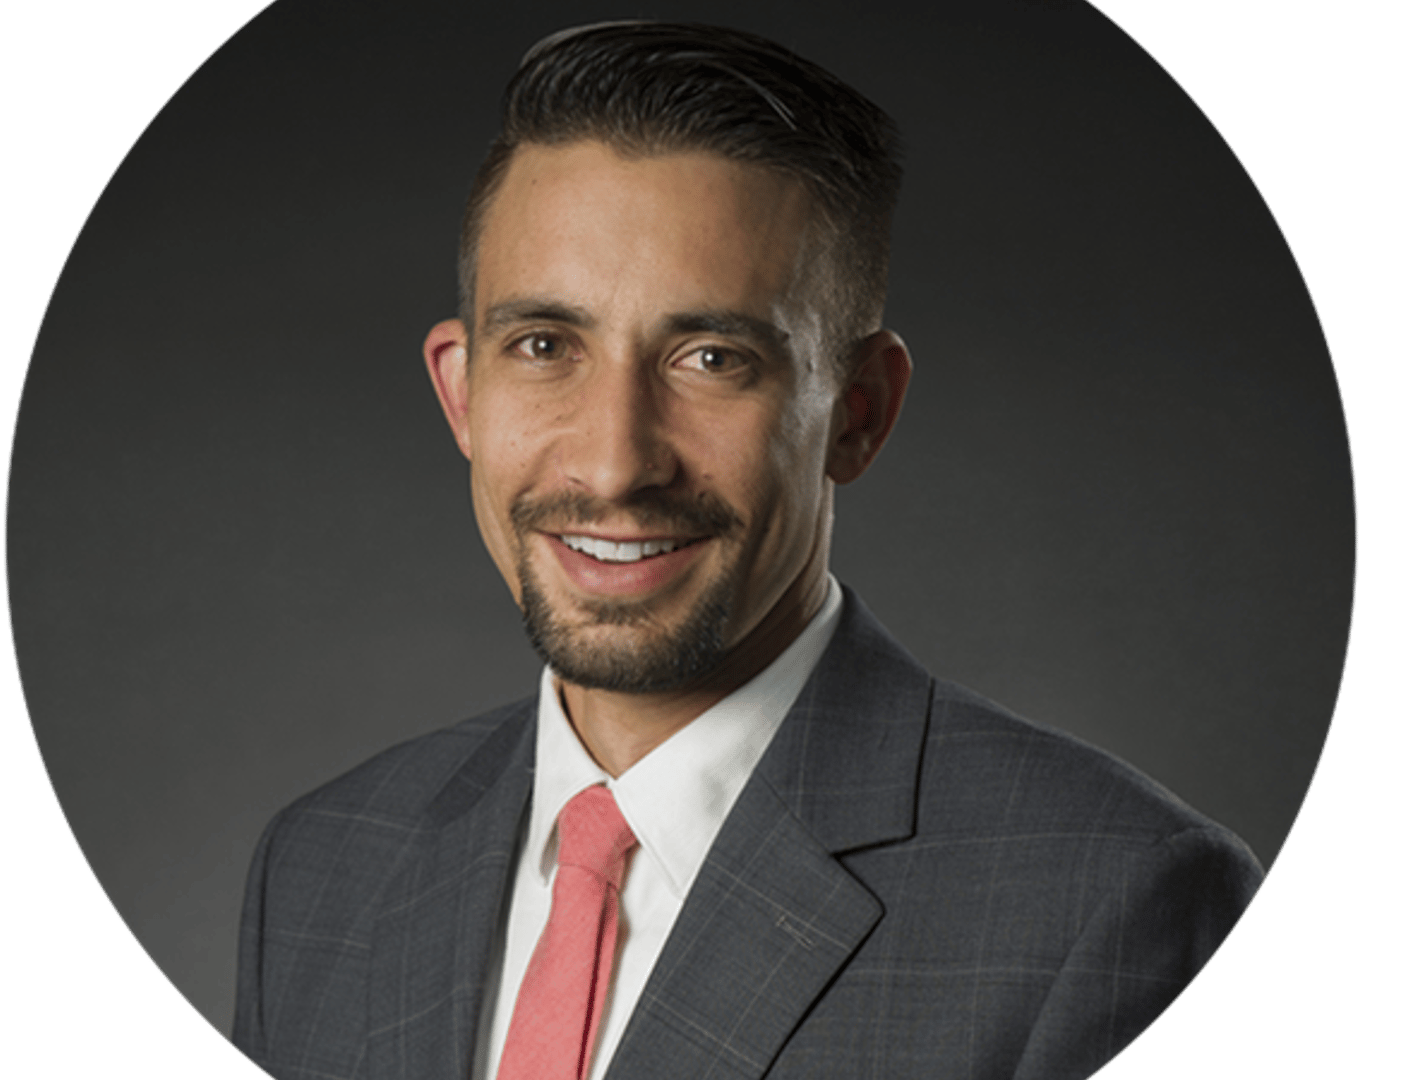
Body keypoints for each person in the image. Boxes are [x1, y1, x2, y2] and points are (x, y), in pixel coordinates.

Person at [232, 21, 1264, 1080]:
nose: (613, 465)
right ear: (462, 392)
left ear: (859, 413)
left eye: (712, 358)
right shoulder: (323, 867)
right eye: (545, 347)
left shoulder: (1113, 903)